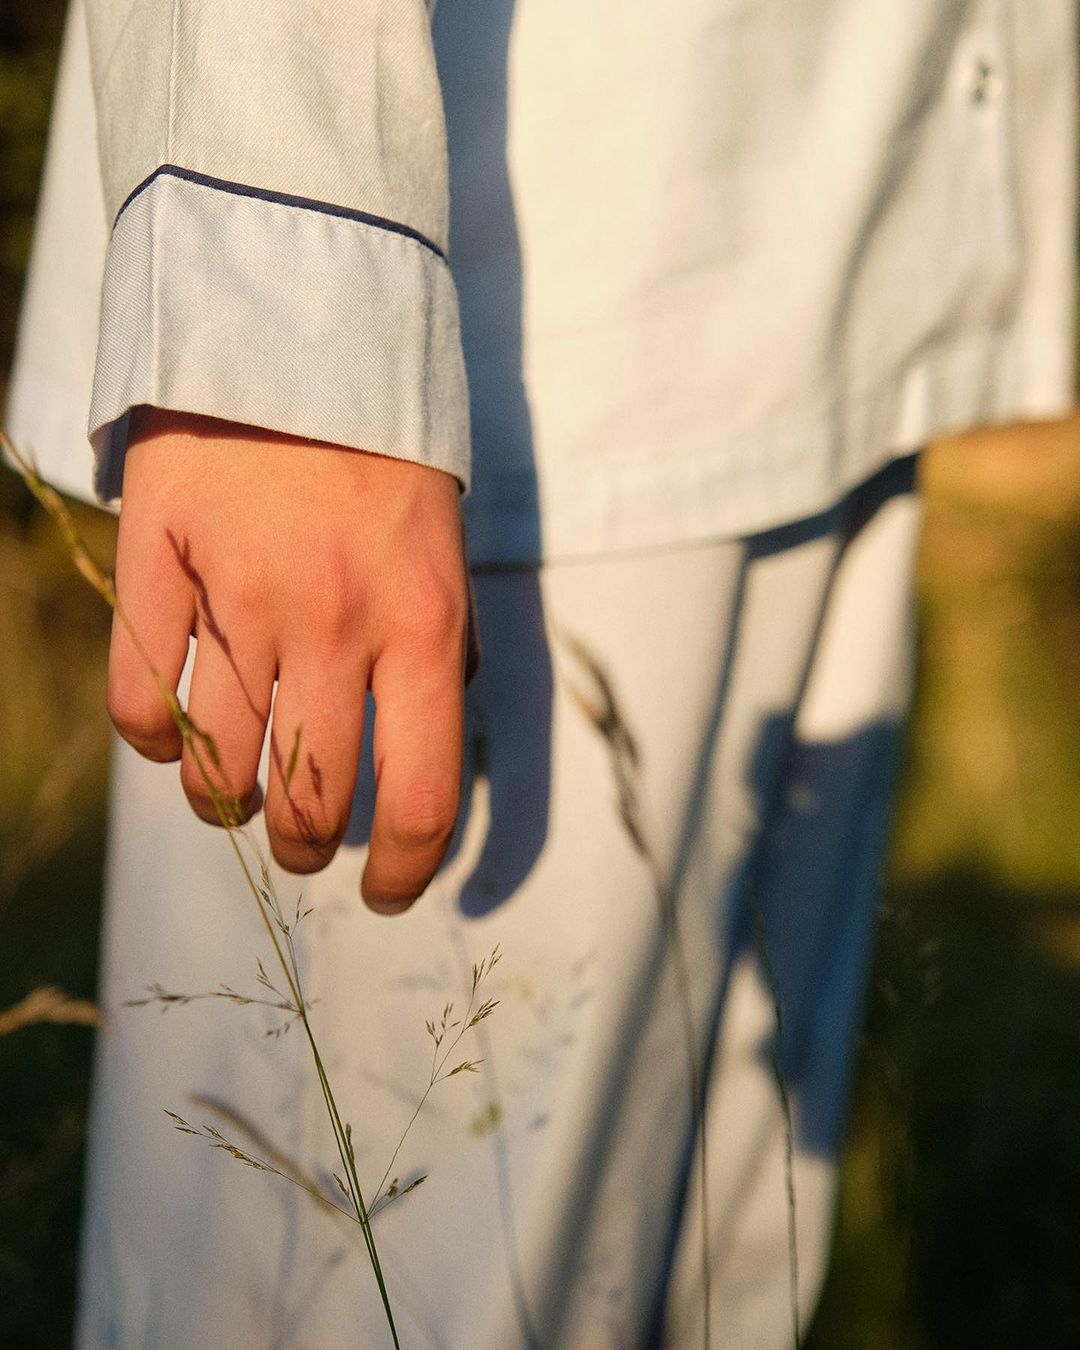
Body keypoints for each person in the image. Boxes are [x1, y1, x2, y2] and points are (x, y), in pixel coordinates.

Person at [6, 1, 1076, 1346]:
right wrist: (283, 304)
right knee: (381, 1295)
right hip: (487, 354)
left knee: (712, 1289)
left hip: (830, 231)